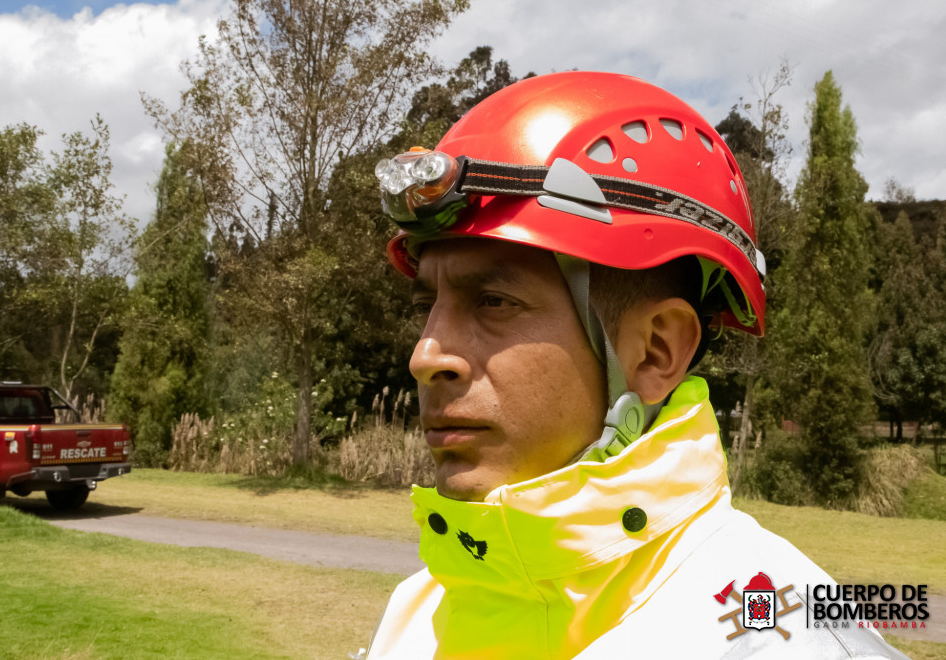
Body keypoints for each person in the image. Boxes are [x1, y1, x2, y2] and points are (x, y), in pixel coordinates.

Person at [366, 72, 908, 659]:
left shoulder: (781, 639)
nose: (425, 357)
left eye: (494, 301)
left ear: (655, 351)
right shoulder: (416, 614)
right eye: (425, 307)